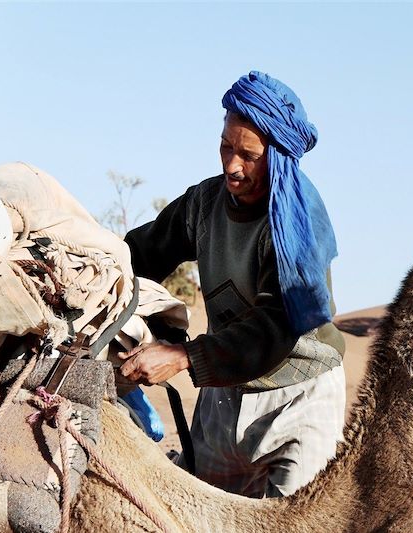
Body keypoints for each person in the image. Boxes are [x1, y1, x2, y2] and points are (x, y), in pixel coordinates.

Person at [120, 71, 346, 497]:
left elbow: (273, 328)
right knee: (199, 512)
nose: (231, 165)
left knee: (293, 523)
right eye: (226, 146)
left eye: (248, 154)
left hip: (299, 400)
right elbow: (142, 253)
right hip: (225, 398)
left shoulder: (299, 226)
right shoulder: (204, 204)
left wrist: (183, 355)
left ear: (276, 156)